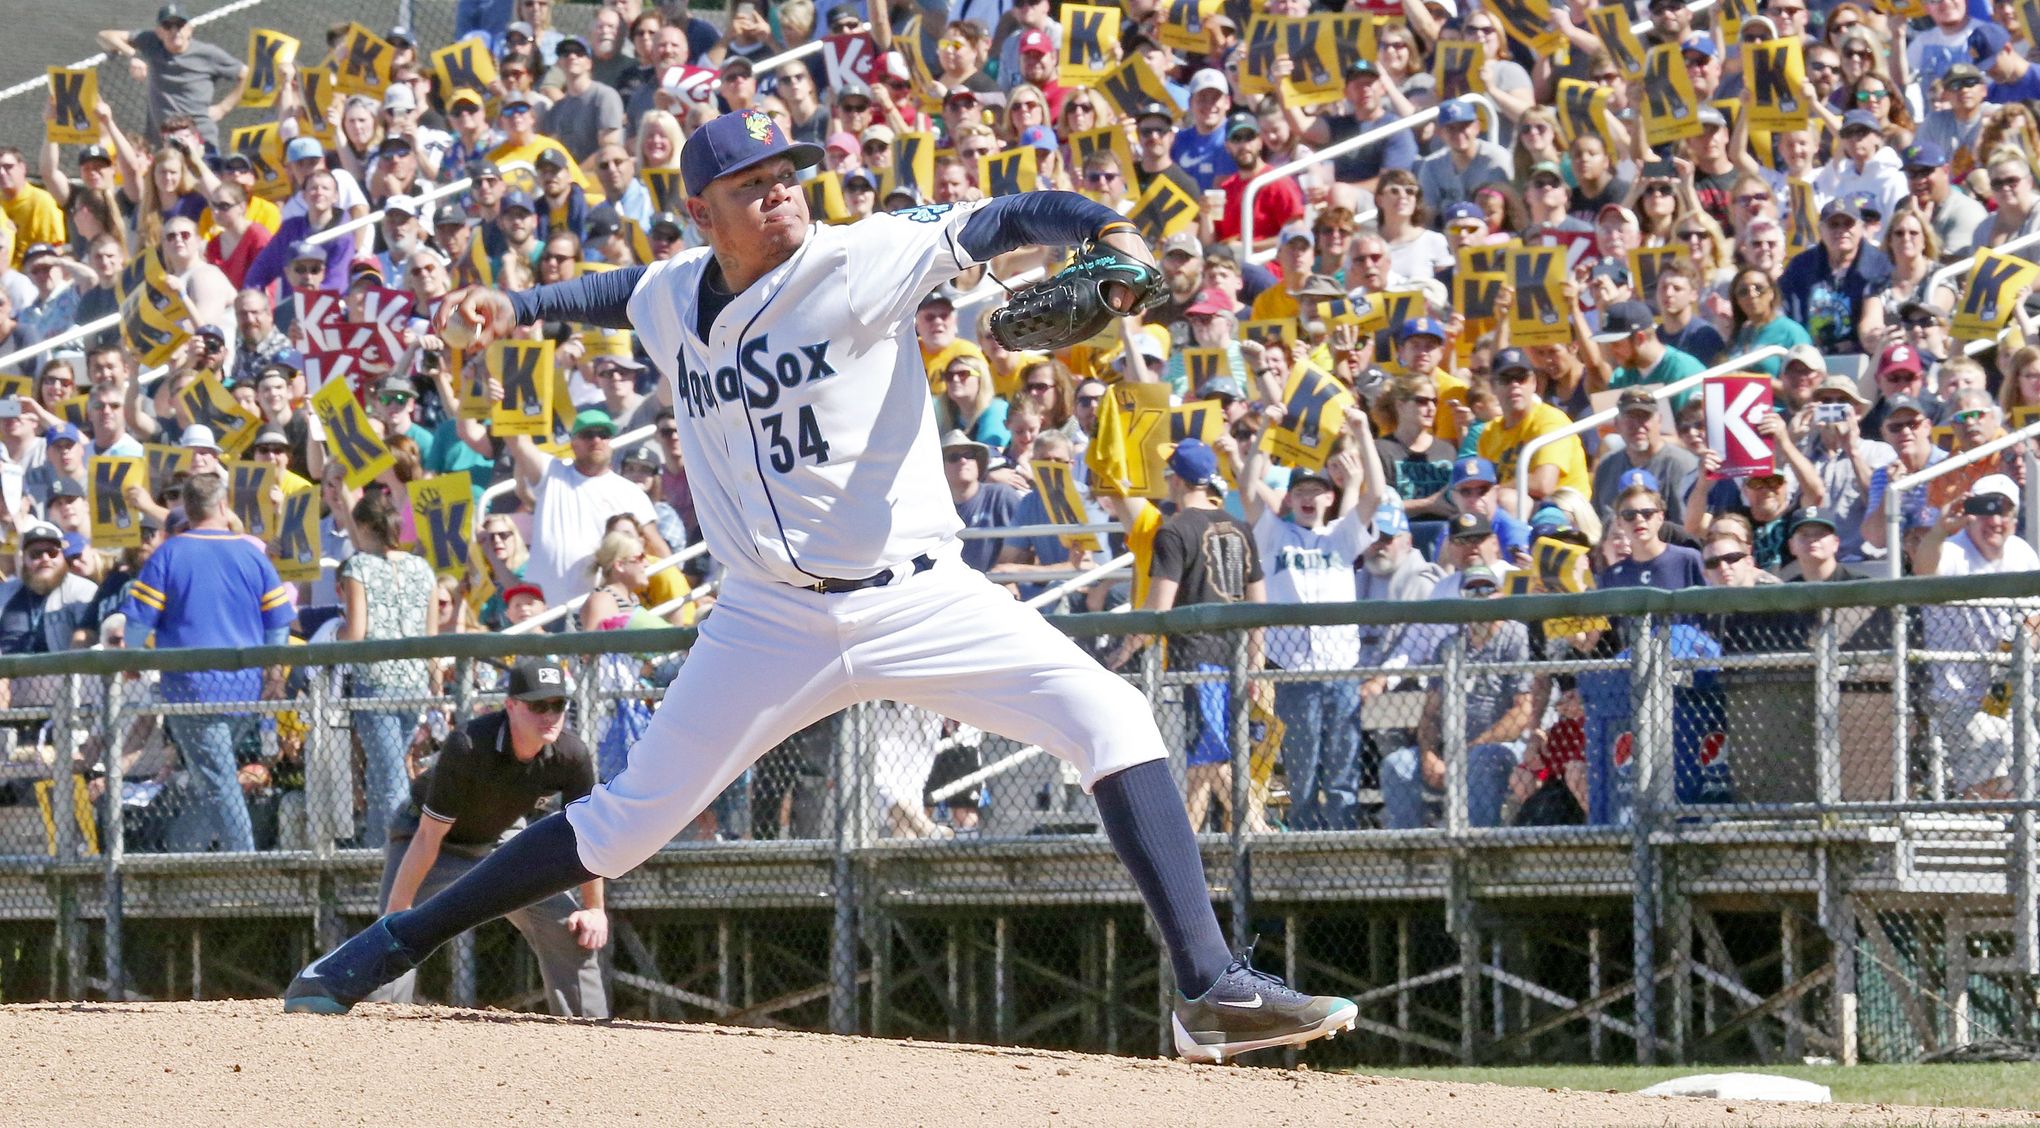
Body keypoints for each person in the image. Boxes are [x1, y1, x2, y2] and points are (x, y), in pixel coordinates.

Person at [285, 109, 1356, 1059]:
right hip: (764, 619)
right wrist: (518, 307)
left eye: (789, 170)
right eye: (753, 183)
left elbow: (1011, 214)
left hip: (918, 596)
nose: (783, 188)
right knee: (619, 829)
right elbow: (622, 293)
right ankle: (386, 945)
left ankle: (1209, 989)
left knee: (1114, 717)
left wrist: (1106, 234)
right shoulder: (673, 292)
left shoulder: (862, 256)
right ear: (704, 213)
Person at [371, 658, 608, 1017]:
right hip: (430, 841)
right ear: (510, 706)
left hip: (500, 841)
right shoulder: (469, 744)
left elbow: (588, 838)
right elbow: (427, 839)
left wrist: (594, 909)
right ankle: (374, 1031)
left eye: (558, 704)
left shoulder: (570, 755)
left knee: (568, 927)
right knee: (395, 932)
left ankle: (592, 1037)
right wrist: (396, 913)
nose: (550, 715)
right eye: (538, 705)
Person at [118, 473, 294, 853]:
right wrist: (274, 670)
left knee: (215, 780)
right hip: (248, 691)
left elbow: (137, 623)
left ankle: (244, 866)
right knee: (207, 776)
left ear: (187, 509)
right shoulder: (251, 553)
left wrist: (132, 658)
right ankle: (197, 852)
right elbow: (279, 622)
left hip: (191, 690)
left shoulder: (169, 553)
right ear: (223, 505)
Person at [1236, 427, 1380, 831]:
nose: (1307, 498)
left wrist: (1364, 431)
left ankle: (1344, 845)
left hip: (1340, 669)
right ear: (1289, 498)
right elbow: (1247, 489)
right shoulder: (1274, 534)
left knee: (1342, 770)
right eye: (1300, 491)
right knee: (1301, 771)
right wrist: (1264, 425)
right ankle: (1302, 845)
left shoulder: (1341, 536)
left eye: (1315, 491)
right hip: (1294, 671)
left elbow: (1376, 494)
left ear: (1329, 496)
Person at [1379, 565, 1533, 829]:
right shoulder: (1450, 645)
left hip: (1506, 748)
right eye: (1471, 590)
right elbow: (1430, 712)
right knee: (1397, 766)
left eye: (1486, 589)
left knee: (1480, 761)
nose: (1479, 596)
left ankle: (1478, 852)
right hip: (1451, 751)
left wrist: (1469, 751)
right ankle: (1413, 853)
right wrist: (1429, 756)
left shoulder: (1514, 636)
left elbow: (1521, 712)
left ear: (1499, 595)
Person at [1915, 475, 2040, 798]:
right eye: (1986, 510)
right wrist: (1941, 530)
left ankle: (2015, 845)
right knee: (1988, 788)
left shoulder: (2021, 551)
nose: (1995, 521)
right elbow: (1924, 571)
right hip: (1961, 694)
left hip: (2008, 691)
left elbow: (2036, 614)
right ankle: (1983, 844)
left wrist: (2022, 641)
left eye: (2004, 511)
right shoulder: (1954, 550)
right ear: (1971, 513)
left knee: (2024, 781)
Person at [338, 488, 439, 848]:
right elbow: (432, 635)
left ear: (363, 526)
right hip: (414, 682)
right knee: (388, 770)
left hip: (376, 682)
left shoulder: (358, 566)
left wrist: (335, 635)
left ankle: (399, 848)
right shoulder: (422, 567)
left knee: (390, 773)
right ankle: (377, 848)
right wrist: (434, 681)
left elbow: (355, 632)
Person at [506, 408, 668, 603]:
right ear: (573, 442)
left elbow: (655, 546)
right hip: (542, 604)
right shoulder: (553, 472)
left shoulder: (631, 492)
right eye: (588, 434)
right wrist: (500, 397)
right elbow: (518, 442)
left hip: (597, 608)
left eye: (604, 434)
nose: (596, 440)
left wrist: (678, 583)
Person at [96, 5, 248, 148]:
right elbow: (104, 36)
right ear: (159, 32)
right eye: (168, 26)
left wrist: (223, 108)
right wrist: (133, 55)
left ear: (189, 29)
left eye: (180, 25)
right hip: (162, 142)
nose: (174, 31)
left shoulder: (207, 54)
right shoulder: (151, 43)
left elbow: (245, 74)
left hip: (199, 139)